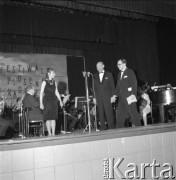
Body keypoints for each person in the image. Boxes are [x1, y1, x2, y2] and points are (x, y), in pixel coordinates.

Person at [112, 58, 141, 128]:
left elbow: (134, 83)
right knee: (120, 114)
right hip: (121, 98)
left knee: (133, 113)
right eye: (117, 64)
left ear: (124, 64)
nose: (117, 66)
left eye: (119, 64)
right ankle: (119, 129)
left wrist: (133, 95)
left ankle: (139, 128)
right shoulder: (119, 74)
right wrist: (115, 95)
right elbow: (118, 86)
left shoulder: (130, 71)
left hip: (129, 96)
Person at [40, 68, 63, 136]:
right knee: (48, 118)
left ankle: (53, 133)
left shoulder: (54, 82)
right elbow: (41, 93)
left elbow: (56, 92)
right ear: (49, 74)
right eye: (53, 73)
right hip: (46, 101)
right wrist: (41, 103)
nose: (54, 74)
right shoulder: (44, 82)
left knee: (53, 118)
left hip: (54, 101)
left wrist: (60, 101)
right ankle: (49, 134)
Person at [93, 61, 116, 130]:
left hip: (108, 97)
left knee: (109, 112)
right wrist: (94, 97)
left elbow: (112, 86)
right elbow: (94, 88)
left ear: (103, 66)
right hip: (98, 97)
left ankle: (111, 127)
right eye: (97, 66)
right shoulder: (94, 76)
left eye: (99, 66)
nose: (98, 67)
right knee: (100, 113)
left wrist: (113, 96)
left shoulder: (109, 74)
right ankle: (102, 127)